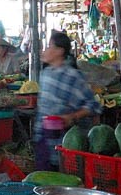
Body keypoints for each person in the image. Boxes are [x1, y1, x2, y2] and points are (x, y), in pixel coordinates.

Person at [34, 31, 101, 171]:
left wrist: (72, 116)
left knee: (61, 176)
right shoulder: (46, 73)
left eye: (49, 46)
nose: (45, 50)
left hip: (64, 141)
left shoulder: (73, 76)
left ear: (59, 51)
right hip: (43, 137)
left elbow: (93, 106)